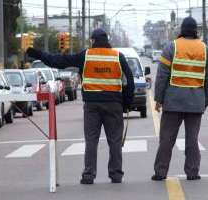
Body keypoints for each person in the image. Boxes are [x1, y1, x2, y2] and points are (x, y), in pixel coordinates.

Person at [26, 28, 135, 184]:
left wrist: (39, 54)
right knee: (115, 141)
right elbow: (129, 80)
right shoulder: (118, 57)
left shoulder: (86, 55)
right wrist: (126, 102)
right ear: (107, 41)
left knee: (91, 141)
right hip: (114, 104)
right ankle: (116, 175)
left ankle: (89, 175)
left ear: (93, 41)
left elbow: (60, 61)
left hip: (92, 105)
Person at [151, 17, 208, 181]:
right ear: (196, 31)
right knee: (192, 140)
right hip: (196, 103)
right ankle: (193, 172)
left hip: (173, 102)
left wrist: (158, 99)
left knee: (166, 139)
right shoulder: (205, 49)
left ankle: (160, 172)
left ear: (181, 30)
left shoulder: (172, 47)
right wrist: (206, 100)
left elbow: (162, 76)